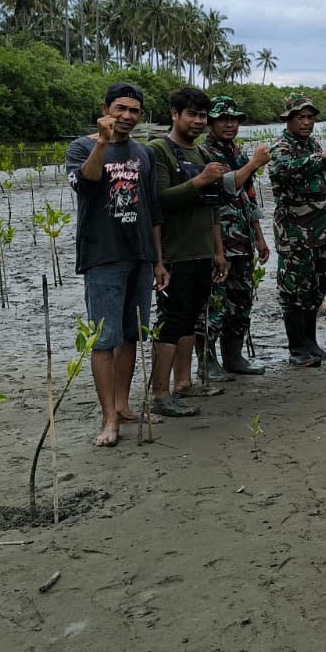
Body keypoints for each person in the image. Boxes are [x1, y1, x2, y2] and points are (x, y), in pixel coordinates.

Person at [66, 82, 168, 447]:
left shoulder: (144, 152)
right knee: (104, 340)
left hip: (140, 254)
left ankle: (124, 406)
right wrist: (102, 143)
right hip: (102, 256)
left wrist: (158, 260)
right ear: (105, 108)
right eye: (120, 109)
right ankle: (108, 418)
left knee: (130, 335)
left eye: (134, 110)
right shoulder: (81, 147)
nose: (126, 116)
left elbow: (153, 209)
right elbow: (87, 183)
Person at [146, 87, 229, 416]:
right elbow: (160, 200)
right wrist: (201, 181)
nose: (197, 121)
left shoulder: (202, 155)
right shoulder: (158, 151)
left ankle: (183, 383)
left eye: (202, 116)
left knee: (190, 320)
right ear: (174, 114)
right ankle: (160, 393)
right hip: (174, 252)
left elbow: (212, 209)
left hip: (202, 252)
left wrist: (218, 251)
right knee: (171, 321)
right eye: (191, 114)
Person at [269, 94, 326, 366]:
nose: (306, 122)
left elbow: (324, 184)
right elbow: (285, 172)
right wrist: (323, 155)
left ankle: (311, 344)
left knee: (315, 290)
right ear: (288, 119)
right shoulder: (282, 146)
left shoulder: (311, 145)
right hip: (295, 236)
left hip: (318, 234)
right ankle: (297, 350)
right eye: (300, 117)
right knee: (294, 292)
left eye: (310, 118)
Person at [197, 95, 272, 380]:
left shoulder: (237, 153)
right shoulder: (204, 153)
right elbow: (225, 189)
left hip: (242, 241)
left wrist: (259, 237)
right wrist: (253, 164)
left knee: (241, 302)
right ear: (210, 122)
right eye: (222, 119)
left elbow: (247, 198)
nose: (229, 124)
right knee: (216, 303)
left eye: (234, 119)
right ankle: (207, 361)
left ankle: (234, 356)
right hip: (218, 241)